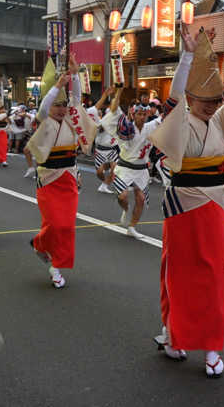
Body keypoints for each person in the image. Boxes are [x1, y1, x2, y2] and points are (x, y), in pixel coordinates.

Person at [149, 21, 224, 378]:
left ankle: (212, 347)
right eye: (205, 100)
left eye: (216, 100)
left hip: (214, 203)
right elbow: (174, 94)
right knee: (179, 275)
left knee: (215, 276)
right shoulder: (178, 119)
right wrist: (186, 57)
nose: (213, 105)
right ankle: (175, 334)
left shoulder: (219, 119)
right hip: (182, 204)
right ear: (189, 98)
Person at [27, 54, 96, 289]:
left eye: (63, 105)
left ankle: (55, 265)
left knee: (66, 226)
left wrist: (74, 75)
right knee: (53, 223)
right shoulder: (44, 120)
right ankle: (40, 244)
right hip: (47, 178)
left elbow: (76, 99)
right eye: (57, 104)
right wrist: (57, 86)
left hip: (68, 177)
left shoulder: (71, 119)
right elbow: (44, 107)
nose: (61, 108)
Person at [101, 92, 161, 238]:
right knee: (122, 197)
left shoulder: (151, 127)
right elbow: (115, 112)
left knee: (140, 199)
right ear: (133, 115)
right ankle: (126, 209)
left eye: (144, 114)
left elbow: (165, 118)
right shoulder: (126, 128)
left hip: (141, 169)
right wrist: (118, 93)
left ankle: (132, 227)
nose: (142, 116)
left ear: (147, 115)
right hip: (125, 167)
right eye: (139, 114)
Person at [88, 88, 119, 192]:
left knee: (115, 170)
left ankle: (105, 185)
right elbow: (94, 110)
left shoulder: (116, 117)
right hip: (100, 149)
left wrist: (117, 93)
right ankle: (105, 180)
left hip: (112, 149)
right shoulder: (96, 120)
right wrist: (105, 95)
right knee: (99, 173)